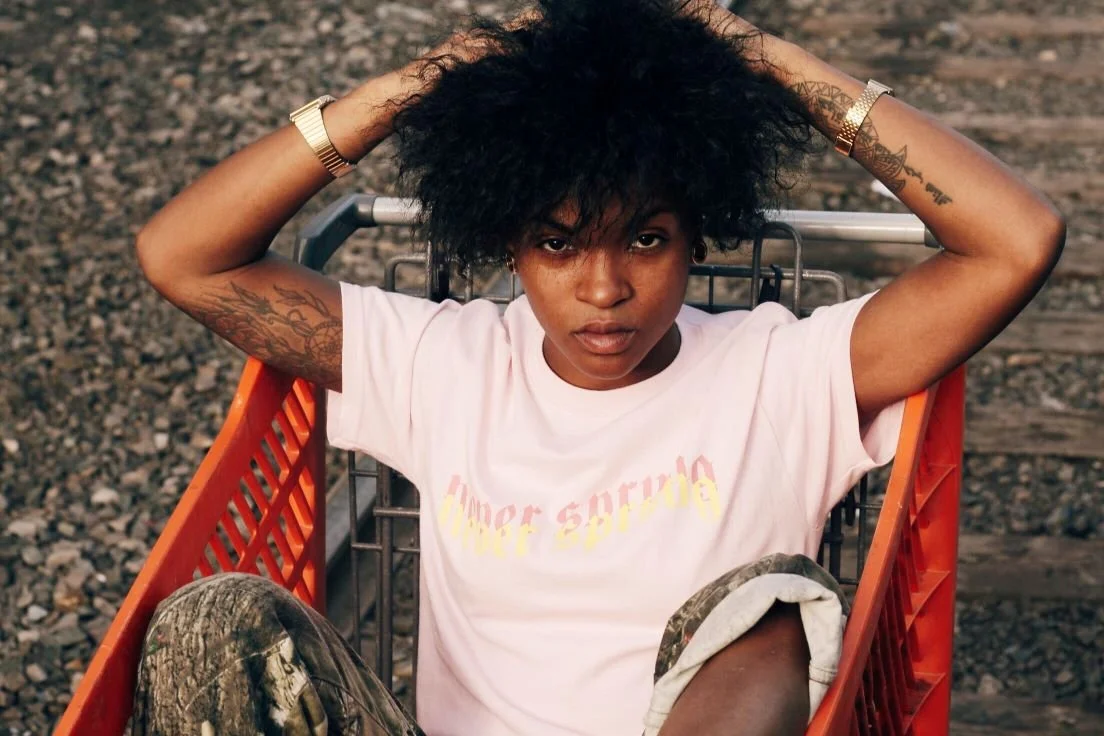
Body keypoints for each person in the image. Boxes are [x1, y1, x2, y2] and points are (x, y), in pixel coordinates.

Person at [129, 0, 1065, 734]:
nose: (604, 288)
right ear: (512, 246)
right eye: (559, 244)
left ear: (698, 230)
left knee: (774, 604)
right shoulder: (445, 364)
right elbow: (184, 256)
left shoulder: (782, 372)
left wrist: (751, 51)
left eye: (647, 240)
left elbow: (1016, 242)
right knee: (214, 620)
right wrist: (430, 81)